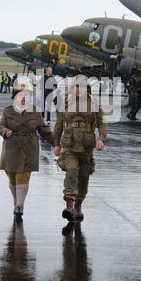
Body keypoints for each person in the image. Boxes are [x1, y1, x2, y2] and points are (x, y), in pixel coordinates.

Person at [0, 78, 54, 222]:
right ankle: (16, 202)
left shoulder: (35, 112)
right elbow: (0, 125)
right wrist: (5, 131)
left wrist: (57, 144)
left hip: (29, 148)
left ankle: (20, 206)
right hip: (11, 149)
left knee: (23, 176)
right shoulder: (7, 111)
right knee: (12, 178)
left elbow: (45, 131)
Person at [53, 76, 107, 223]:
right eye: (76, 86)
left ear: (87, 89)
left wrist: (100, 139)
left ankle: (78, 206)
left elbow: (102, 123)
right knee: (71, 172)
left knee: (83, 177)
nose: (78, 89)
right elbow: (59, 124)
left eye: (81, 87)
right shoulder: (66, 102)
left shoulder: (94, 103)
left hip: (86, 146)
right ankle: (69, 206)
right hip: (69, 146)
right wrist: (56, 144)